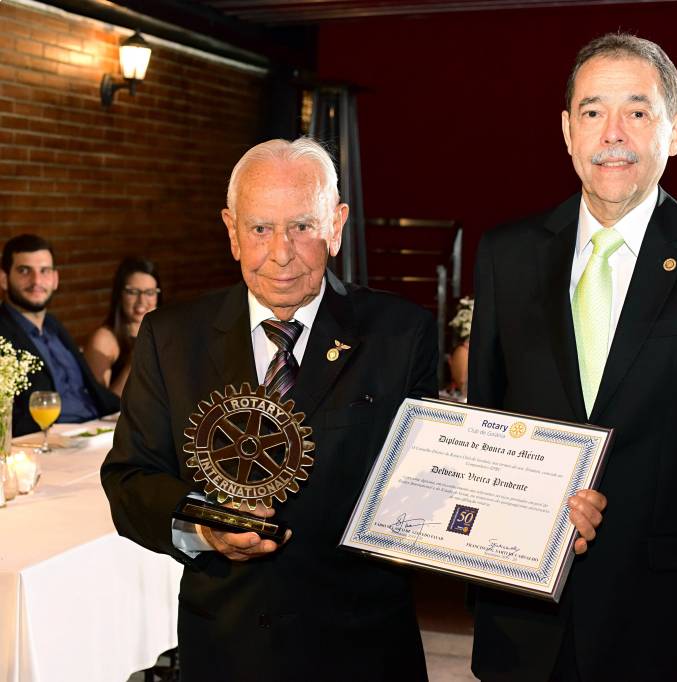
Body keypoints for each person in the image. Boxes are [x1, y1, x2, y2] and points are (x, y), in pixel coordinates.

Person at [468, 33, 677, 682]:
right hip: (522, 618)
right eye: (592, 111)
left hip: (661, 620)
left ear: (676, 131)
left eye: (637, 111)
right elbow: (485, 428)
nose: (613, 133)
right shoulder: (506, 254)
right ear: (567, 131)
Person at [100, 138, 438, 681]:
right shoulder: (171, 338)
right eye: (260, 229)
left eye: (302, 226)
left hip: (361, 650)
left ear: (336, 225)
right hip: (227, 648)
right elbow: (130, 479)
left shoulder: (401, 334)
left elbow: (431, 485)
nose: (281, 253)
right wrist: (206, 529)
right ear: (232, 232)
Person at [0, 234, 120, 437]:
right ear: (4, 279)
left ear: (55, 279)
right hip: (50, 440)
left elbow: (94, 390)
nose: (36, 281)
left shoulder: (53, 326)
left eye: (44, 271)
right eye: (24, 271)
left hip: (98, 429)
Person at [83, 257, 162, 396]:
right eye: (133, 292)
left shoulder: (163, 333)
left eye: (150, 293)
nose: (142, 301)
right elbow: (101, 404)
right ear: (120, 295)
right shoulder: (104, 339)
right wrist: (134, 362)